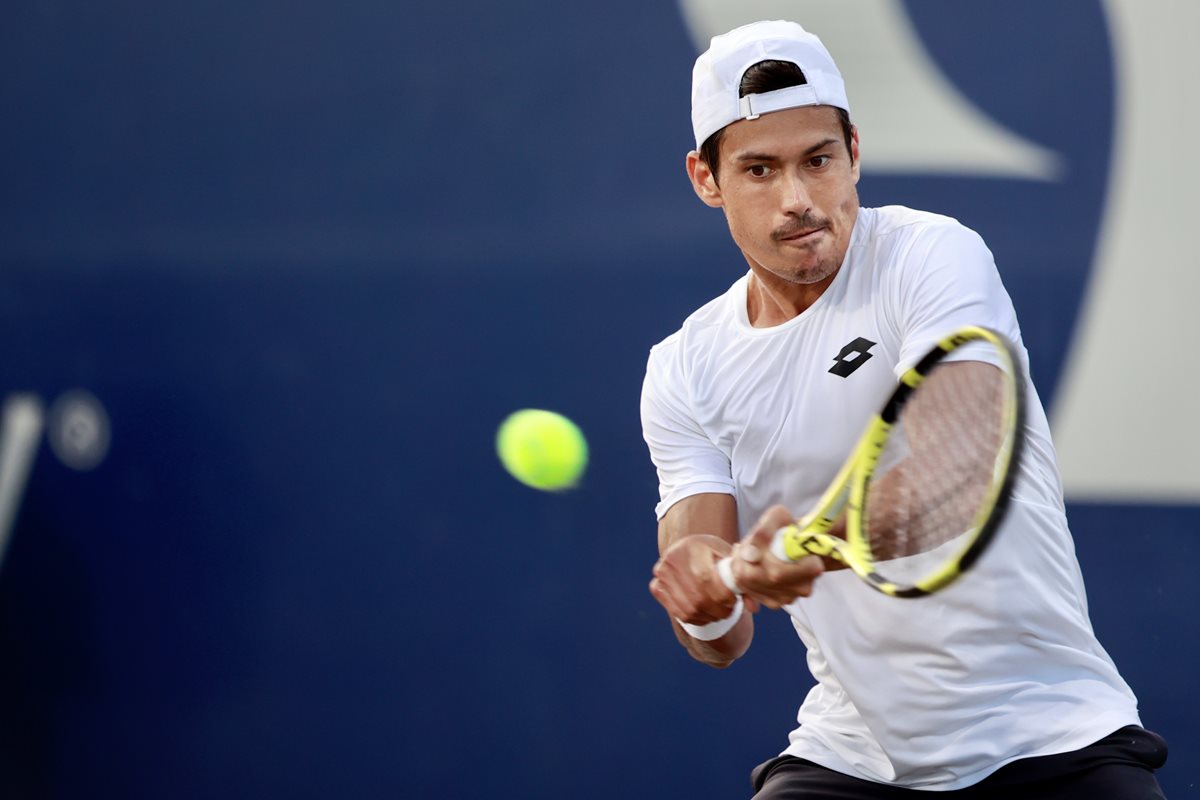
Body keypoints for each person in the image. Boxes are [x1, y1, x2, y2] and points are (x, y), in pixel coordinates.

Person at [641, 19, 1167, 798]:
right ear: (705, 178)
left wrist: (806, 547)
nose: (798, 200)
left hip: (1053, 736)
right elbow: (721, 638)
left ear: (855, 151)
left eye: (818, 160)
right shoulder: (683, 368)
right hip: (855, 755)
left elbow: (957, 476)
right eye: (759, 170)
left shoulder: (932, 255)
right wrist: (706, 601)